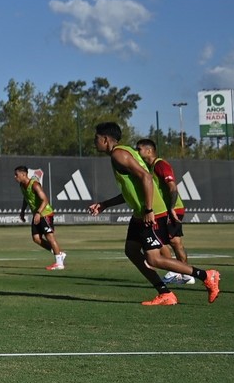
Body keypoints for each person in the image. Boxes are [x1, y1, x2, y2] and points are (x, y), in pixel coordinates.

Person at [87, 122, 219, 305]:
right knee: (132, 250)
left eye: (96, 138)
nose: (94, 142)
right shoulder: (122, 153)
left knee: (154, 259)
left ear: (105, 139)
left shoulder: (119, 154)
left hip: (151, 212)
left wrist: (149, 209)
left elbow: (146, 177)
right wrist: (104, 205)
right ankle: (165, 293)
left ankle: (206, 275)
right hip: (140, 213)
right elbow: (132, 190)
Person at [135, 139, 193, 285]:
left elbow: (172, 187)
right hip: (165, 210)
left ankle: (183, 273)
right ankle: (181, 272)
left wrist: (171, 208)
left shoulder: (160, 164)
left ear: (149, 151)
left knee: (173, 242)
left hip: (173, 209)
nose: (137, 152)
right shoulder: (149, 168)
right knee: (170, 241)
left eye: (139, 149)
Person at [14, 166, 66, 270]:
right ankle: (59, 253)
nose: (15, 177)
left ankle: (59, 263)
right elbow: (26, 198)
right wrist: (22, 211)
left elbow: (45, 200)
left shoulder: (35, 185)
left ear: (23, 174)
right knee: (36, 238)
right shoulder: (22, 185)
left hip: (45, 213)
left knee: (49, 236)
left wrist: (38, 213)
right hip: (37, 214)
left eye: (16, 175)